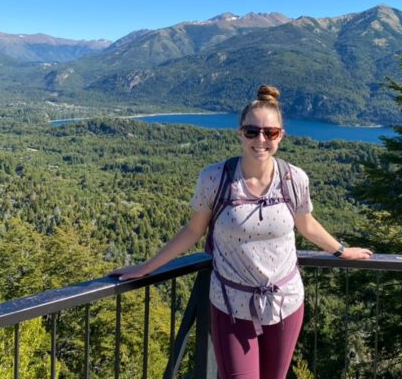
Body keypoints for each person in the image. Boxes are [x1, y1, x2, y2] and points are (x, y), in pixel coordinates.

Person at [108, 85, 373, 379]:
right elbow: (192, 231)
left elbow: (307, 225)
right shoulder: (215, 178)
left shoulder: (293, 179)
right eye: (252, 132)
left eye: (270, 133)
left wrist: (341, 251)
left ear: (281, 136)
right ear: (239, 133)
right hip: (231, 303)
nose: (260, 139)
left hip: (285, 301)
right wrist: (147, 268)